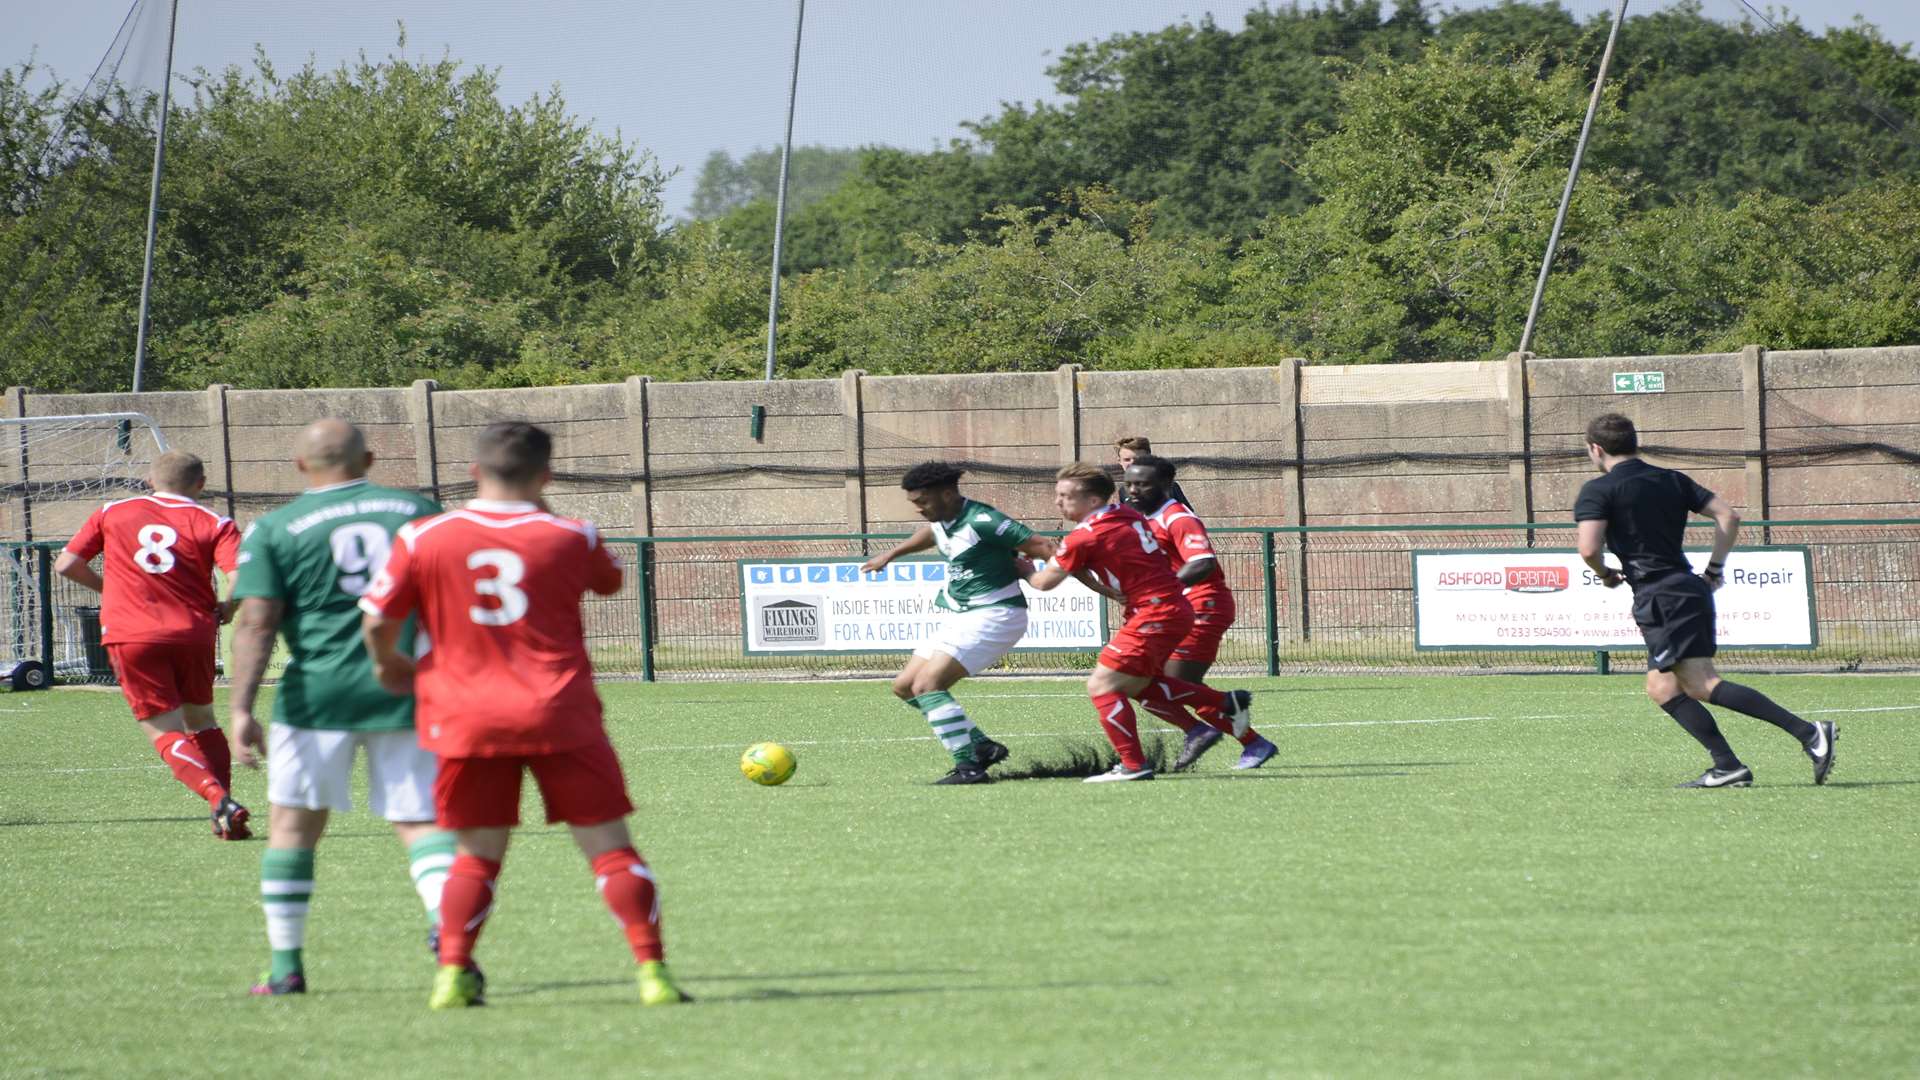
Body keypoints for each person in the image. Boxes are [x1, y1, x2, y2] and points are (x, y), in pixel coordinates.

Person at [359, 422, 688, 1009]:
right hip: (559, 712)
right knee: (612, 850)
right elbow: (609, 583)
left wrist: (389, 666)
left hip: (465, 717)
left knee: (477, 855)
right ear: (546, 475)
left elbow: (379, 620)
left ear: (473, 471)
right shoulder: (572, 535)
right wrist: (544, 506)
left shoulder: (423, 536)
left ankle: (454, 973)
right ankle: (652, 973)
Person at [226, 419, 455, 996]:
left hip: (316, 694)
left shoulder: (274, 528)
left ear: (300, 466)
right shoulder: (420, 512)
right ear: (370, 458)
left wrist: (240, 709)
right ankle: (449, 938)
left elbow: (256, 621)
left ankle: (284, 970)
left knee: (293, 829)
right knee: (421, 822)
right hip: (408, 684)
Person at [1575, 413, 1836, 788]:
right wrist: (1714, 570)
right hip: (1685, 588)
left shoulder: (1598, 490)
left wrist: (1604, 574)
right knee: (1662, 687)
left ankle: (1810, 734)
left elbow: (1587, 548)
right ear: (1635, 443)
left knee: (1701, 684)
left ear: (1596, 449)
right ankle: (1727, 766)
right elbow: (1728, 516)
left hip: (1660, 596)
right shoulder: (1672, 479)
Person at [54, 450, 249, 838]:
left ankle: (217, 799)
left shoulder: (112, 511)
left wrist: (108, 589)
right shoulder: (216, 522)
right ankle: (223, 809)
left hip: (132, 633)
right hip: (193, 631)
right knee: (202, 720)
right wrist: (229, 606)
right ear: (201, 484)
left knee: (165, 731)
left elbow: (66, 564)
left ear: (149, 480)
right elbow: (241, 573)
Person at [1026, 462, 1257, 782]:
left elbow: (1042, 583)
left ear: (1093, 501)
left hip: (1156, 611)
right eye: (1057, 494)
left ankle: (1133, 764)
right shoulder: (1128, 515)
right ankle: (1222, 703)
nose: (1058, 502)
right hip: (1169, 607)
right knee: (1138, 685)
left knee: (1102, 685)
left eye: (1066, 495)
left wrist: (1017, 564)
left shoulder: (1084, 536)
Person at [861, 462, 1059, 784]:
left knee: (927, 685)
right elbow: (930, 534)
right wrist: (892, 554)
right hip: (963, 614)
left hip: (997, 613)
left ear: (948, 493)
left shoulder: (984, 520)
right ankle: (981, 745)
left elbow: (1049, 548)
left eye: (922, 501)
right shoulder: (941, 518)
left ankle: (969, 768)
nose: (918, 509)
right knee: (904, 687)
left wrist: (1083, 584)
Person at [1122, 455, 1276, 770]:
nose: (1133, 491)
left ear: (1166, 485)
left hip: (1202, 605)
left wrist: (1160, 590)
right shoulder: (1139, 520)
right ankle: (1234, 732)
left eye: (1143, 484)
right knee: (1138, 683)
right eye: (1129, 484)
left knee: (1174, 687)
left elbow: (1202, 563)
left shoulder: (1178, 518)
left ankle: (1229, 730)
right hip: (1170, 610)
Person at [1114, 436, 1192, 509]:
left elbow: (1187, 515)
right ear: (1119, 461)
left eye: (1139, 459)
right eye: (1127, 460)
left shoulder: (1168, 487)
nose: (1133, 463)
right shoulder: (1123, 491)